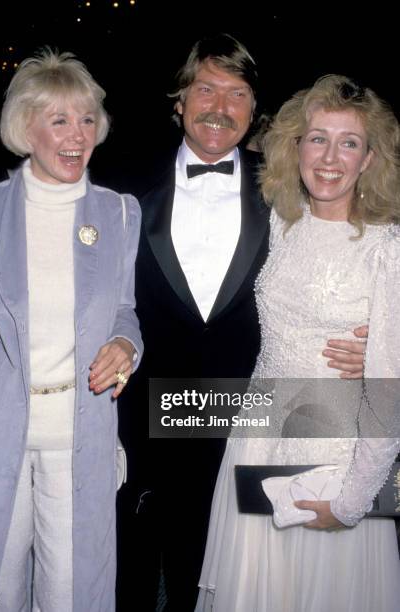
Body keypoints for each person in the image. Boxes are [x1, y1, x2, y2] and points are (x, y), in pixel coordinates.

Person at [0, 35, 367, 610]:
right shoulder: (118, 180)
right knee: (119, 569)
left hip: (244, 413)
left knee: (218, 572)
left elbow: (352, 257)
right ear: (179, 99)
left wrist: (372, 338)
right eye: (205, 88)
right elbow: (25, 209)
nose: (219, 107)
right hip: (130, 408)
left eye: (237, 93)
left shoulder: (289, 188)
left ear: (255, 111)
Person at [0, 49, 142, 612]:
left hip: (80, 433)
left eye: (88, 119)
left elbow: (125, 311)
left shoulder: (120, 213)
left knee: (71, 593)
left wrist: (126, 345)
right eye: (59, 120)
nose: (78, 136)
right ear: (26, 127)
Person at [197, 75, 400, 612]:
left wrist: (354, 501)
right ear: (294, 146)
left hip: (333, 460)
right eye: (317, 138)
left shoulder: (386, 249)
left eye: (349, 142)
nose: (330, 156)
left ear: (370, 159)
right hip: (256, 435)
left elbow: (388, 393)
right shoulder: (281, 225)